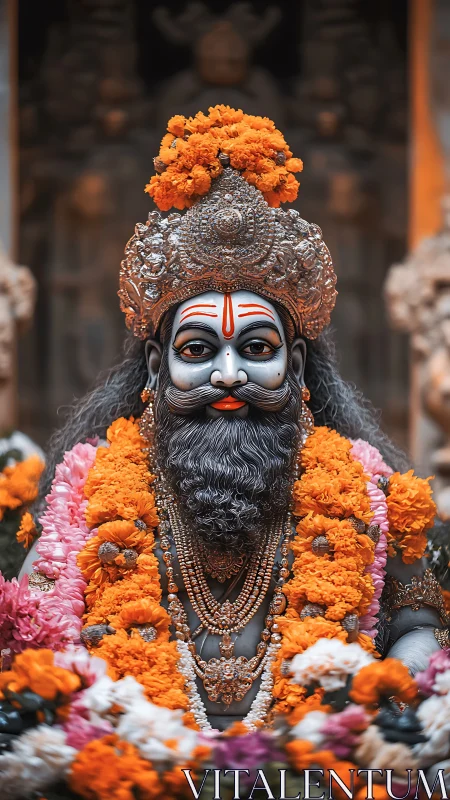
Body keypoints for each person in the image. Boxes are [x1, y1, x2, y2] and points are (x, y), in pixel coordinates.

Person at [19, 106, 448, 733]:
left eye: (256, 349)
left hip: (321, 764)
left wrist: (382, 702)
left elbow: (418, 625)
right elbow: (35, 636)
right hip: (133, 763)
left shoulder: (364, 487)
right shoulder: (87, 492)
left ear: (294, 363)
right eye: (197, 351)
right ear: (156, 365)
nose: (227, 375)